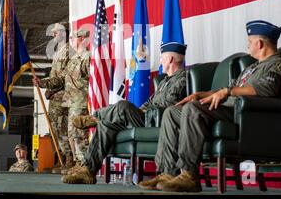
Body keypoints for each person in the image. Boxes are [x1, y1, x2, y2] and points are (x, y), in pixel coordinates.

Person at [138, 20, 281, 192]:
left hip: (242, 113)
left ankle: (189, 175)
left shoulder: (275, 64)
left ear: (259, 44)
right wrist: (200, 94)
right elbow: (226, 89)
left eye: (250, 42)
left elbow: (266, 89)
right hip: (227, 108)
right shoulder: (252, 67)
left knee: (193, 109)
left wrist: (228, 92)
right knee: (172, 112)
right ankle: (168, 172)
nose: (248, 45)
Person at [61, 42, 188, 184]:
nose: (160, 60)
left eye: (162, 57)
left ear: (170, 59)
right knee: (106, 125)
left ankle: (94, 117)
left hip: (159, 123)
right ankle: (88, 170)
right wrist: (139, 112)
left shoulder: (183, 79)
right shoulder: (164, 81)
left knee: (123, 106)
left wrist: (139, 112)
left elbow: (168, 106)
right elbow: (148, 103)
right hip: (147, 119)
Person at [33, 29, 91, 172]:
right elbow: (61, 78)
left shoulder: (87, 57)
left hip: (81, 101)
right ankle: (78, 163)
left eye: (75, 38)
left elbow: (94, 81)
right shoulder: (74, 60)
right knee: (72, 133)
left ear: (82, 38)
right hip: (71, 102)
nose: (73, 41)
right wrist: (43, 83)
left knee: (78, 133)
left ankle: (83, 165)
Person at [41, 22, 74, 174]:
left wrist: (44, 83)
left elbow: (63, 78)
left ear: (63, 33)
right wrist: (49, 88)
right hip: (55, 96)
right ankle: (60, 158)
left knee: (61, 128)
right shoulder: (59, 51)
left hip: (63, 96)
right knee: (54, 128)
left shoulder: (69, 51)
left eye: (56, 32)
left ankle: (69, 160)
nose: (53, 34)